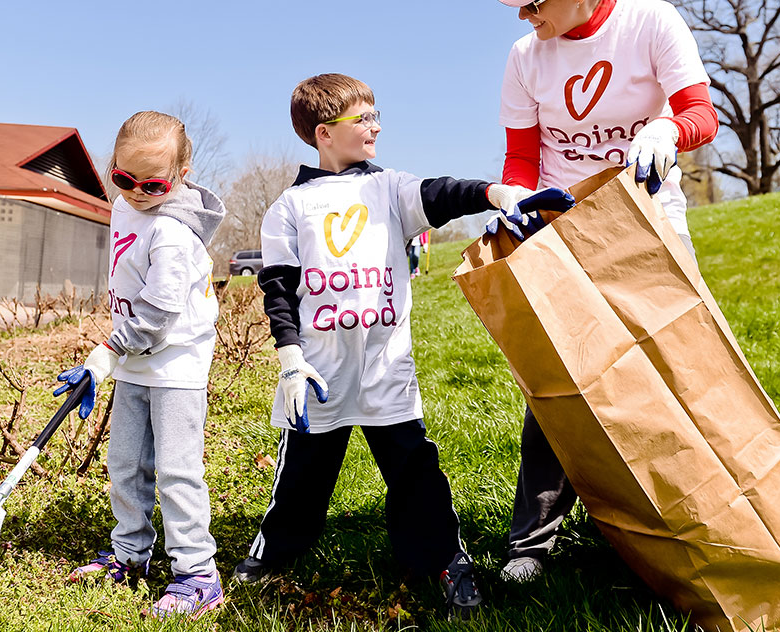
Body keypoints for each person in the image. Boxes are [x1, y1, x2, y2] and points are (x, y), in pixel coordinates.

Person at [229, 73, 562, 618]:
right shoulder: (288, 208)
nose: (375, 126)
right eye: (362, 119)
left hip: (386, 373)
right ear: (322, 133)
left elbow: (440, 192)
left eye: (376, 114)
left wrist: (496, 193)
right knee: (300, 480)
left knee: (416, 476)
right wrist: (291, 362)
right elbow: (279, 291)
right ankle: (272, 555)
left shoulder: (389, 188)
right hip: (320, 377)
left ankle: (445, 563)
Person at [484, 0, 718, 582]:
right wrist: (516, 196)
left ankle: (690, 521)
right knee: (558, 380)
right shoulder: (526, 56)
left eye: (536, 4)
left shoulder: (650, 24)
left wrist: (668, 128)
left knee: (678, 367)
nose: (527, 17)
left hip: (648, 220)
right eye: (522, 7)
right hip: (563, 228)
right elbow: (523, 153)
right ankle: (533, 541)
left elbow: (701, 112)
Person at [56, 111, 227, 618]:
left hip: (175, 366)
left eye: (151, 184)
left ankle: (198, 573)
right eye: (123, 178)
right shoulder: (124, 207)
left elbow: (155, 315)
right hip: (134, 361)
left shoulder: (173, 233)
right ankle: (131, 556)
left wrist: (104, 354)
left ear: (182, 173)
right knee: (126, 464)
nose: (134, 192)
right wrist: (114, 355)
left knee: (177, 472)